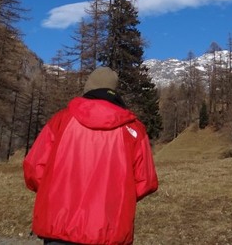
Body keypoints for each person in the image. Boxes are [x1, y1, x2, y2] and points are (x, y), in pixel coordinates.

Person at [23, 67, 158, 245]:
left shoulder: (61, 120)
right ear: (114, 92)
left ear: (88, 89)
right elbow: (145, 182)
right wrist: (116, 196)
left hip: (58, 227)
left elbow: (34, 168)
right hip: (109, 231)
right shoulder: (133, 129)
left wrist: (56, 191)